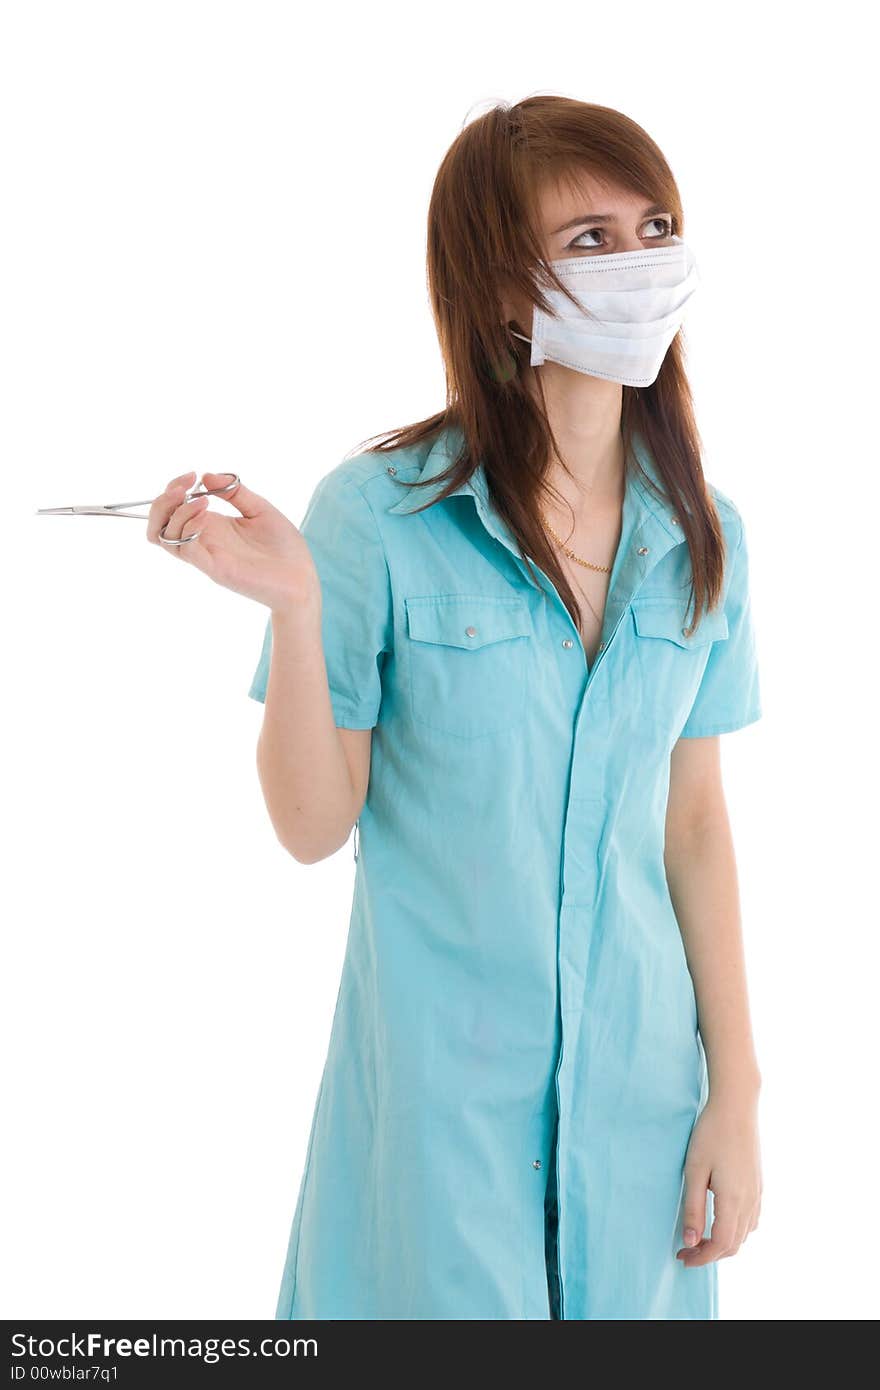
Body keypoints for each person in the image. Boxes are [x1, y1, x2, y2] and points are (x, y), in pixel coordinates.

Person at [148, 96, 764, 1321]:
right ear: (498, 290)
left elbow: (689, 824)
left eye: (654, 227)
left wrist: (733, 1093)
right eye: (588, 240)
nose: (637, 262)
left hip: (642, 1118)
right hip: (436, 1131)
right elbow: (315, 825)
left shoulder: (705, 537)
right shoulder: (376, 516)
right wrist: (297, 610)